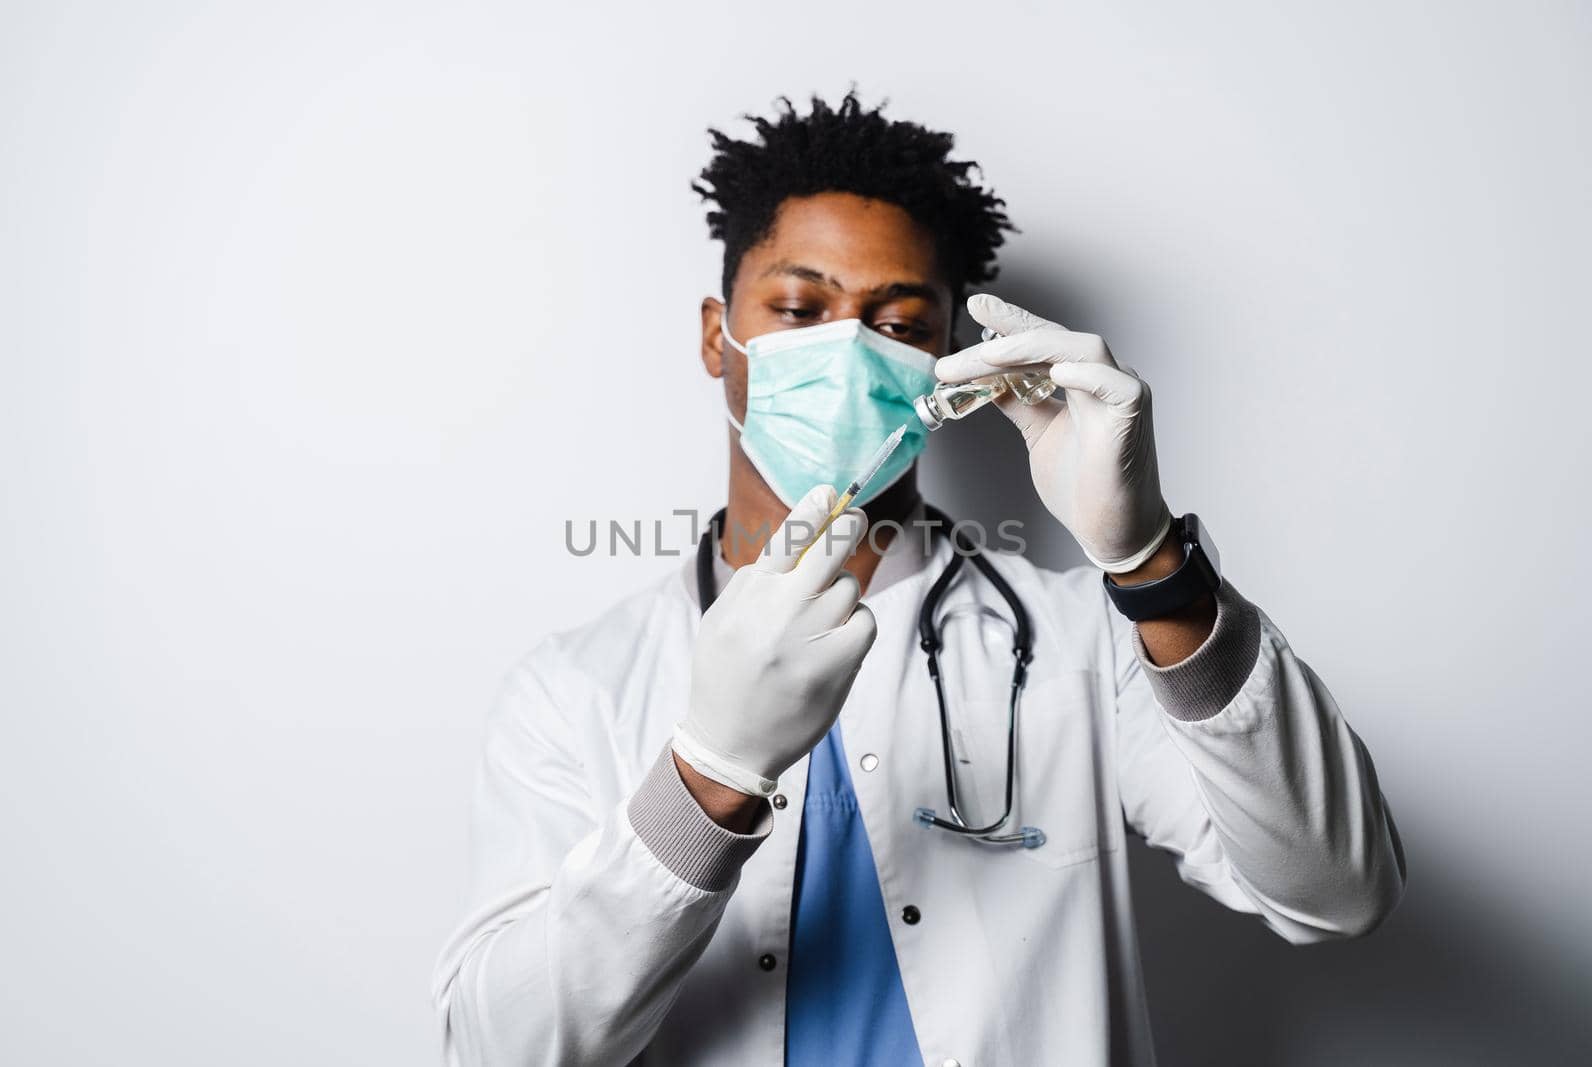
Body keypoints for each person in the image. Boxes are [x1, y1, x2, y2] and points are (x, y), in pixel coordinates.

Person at [431, 91, 1405, 1067]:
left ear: (952, 361)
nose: (847, 354)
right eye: (800, 308)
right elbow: (501, 1048)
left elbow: (1335, 891)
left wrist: (1149, 559)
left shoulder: (1083, 641)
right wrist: (708, 776)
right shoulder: (574, 689)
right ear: (714, 334)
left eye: (898, 322)